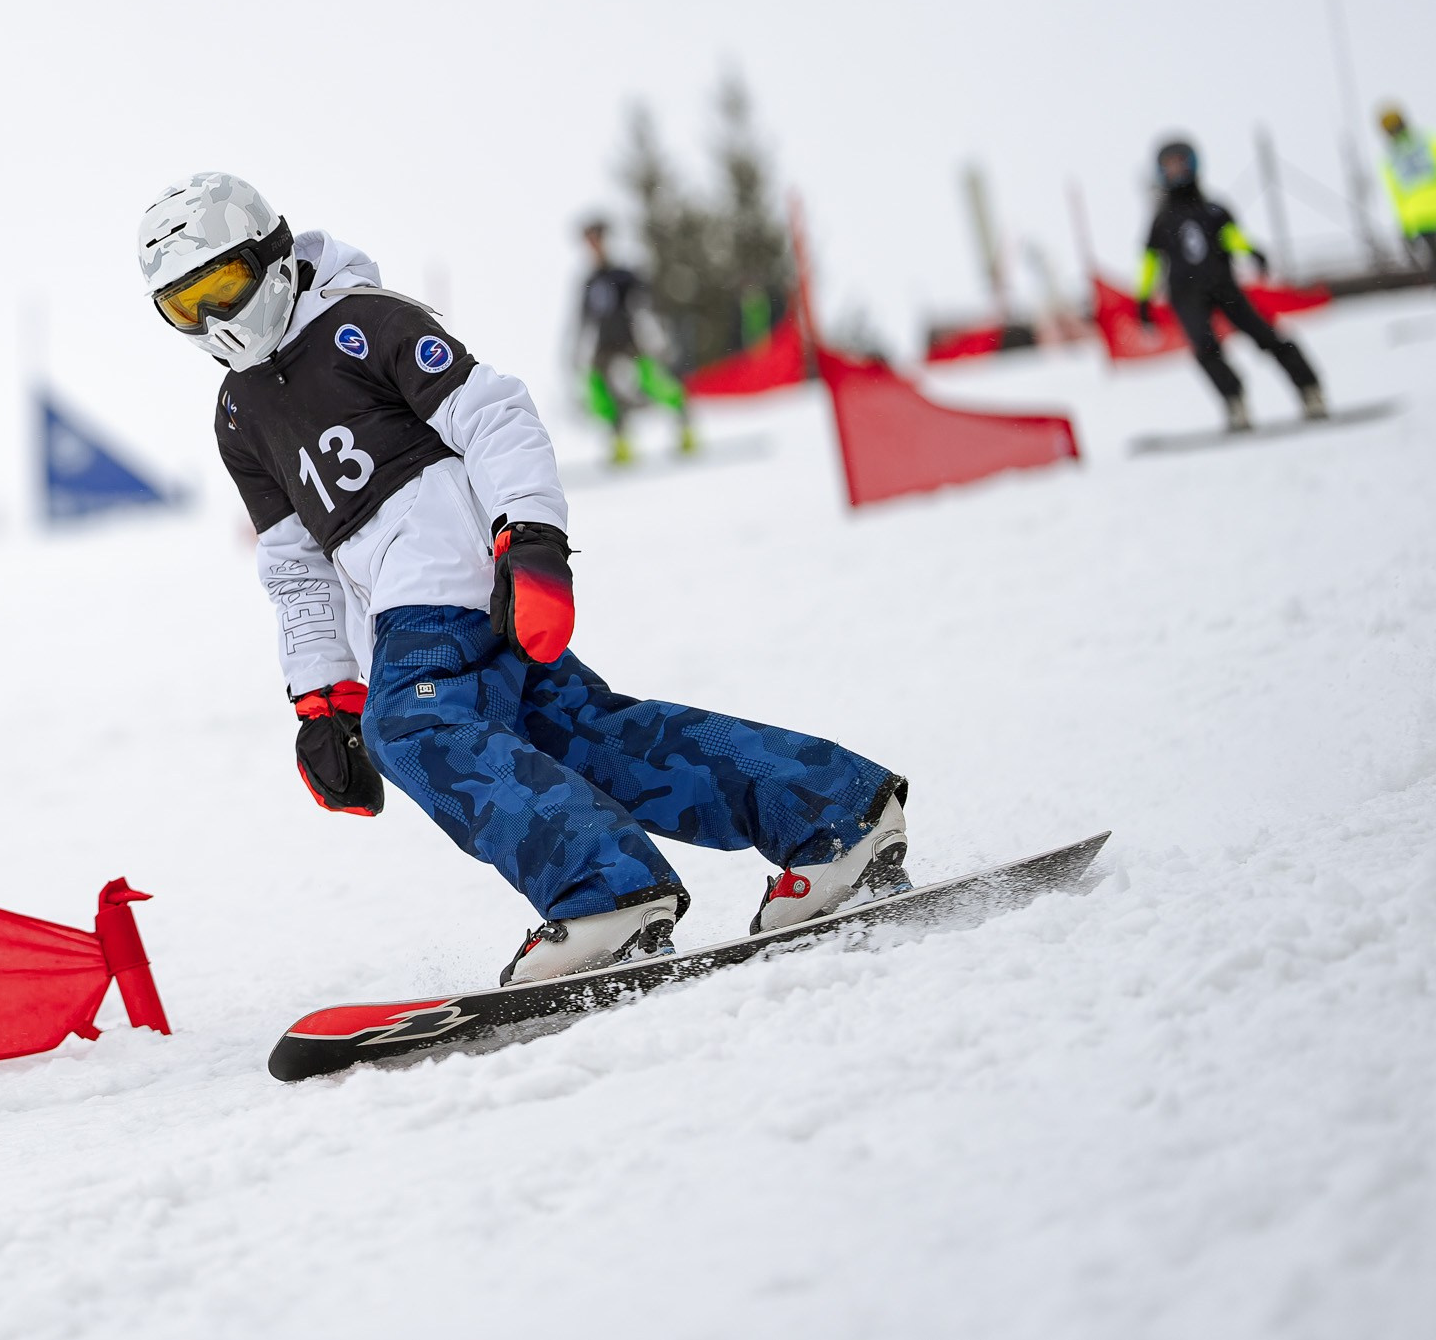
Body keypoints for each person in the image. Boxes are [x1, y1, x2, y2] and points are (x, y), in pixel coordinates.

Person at [137, 173, 909, 984]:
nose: (218, 320)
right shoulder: (237, 415)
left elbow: (494, 412)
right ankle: (831, 817)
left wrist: (531, 535)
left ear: (274, 255)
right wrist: (322, 697)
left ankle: (604, 895)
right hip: (404, 598)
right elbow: (294, 564)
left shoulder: (362, 323)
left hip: (443, 579)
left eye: (224, 285)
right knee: (586, 736)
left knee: (413, 727)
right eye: (187, 307)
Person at [1135, 137, 1326, 433]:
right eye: (1168, 167)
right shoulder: (1161, 220)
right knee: (1205, 347)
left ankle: (1310, 388)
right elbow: (1149, 261)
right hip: (1186, 294)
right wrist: (1144, 298)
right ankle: (1234, 401)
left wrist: (1250, 250)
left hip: (1224, 285)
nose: (1175, 172)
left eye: (1180, 164)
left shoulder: (1214, 209)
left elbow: (1231, 237)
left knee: (1266, 335)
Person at [572, 218, 694, 464]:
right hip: (604, 343)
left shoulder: (624, 275)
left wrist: (656, 334)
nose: (594, 246)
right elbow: (583, 320)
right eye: (589, 241)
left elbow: (645, 305)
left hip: (629, 337)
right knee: (598, 391)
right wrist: (578, 349)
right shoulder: (589, 281)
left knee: (653, 380)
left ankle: (684, 429)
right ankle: (620, 442)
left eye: (597, 239)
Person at [1377, 103, 1436, 277]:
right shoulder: (1428, 141)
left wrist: (1406, 229)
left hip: (1420, 218)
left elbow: (1397, 196)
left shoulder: (1389, 159)